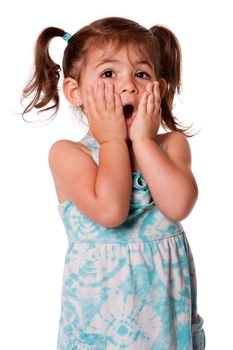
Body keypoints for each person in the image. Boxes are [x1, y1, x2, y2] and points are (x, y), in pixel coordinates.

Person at [22, 17, 205, 350]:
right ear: (75, 92)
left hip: (164, 325)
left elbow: (179, 205)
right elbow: (111, 211)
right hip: (100, 327)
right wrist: (111, 142)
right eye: (109, 74)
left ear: (158, 89)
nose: (128, 85)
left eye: (141, 74)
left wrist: (145, 142)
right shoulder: (69, 155)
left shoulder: (171, 146)